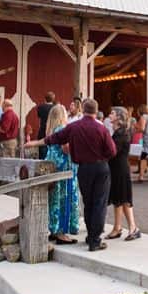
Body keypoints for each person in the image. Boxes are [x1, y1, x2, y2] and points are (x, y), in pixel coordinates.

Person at [45, 99, 115, 251]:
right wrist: (101, 156)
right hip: (100, 167)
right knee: (99, 203)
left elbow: (55, 138)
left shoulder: (74, 127)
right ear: (96, 111)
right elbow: (112, 151)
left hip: (83, 168)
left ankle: (91, 235)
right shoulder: (101, 128)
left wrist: (42, 141)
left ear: (83, 110)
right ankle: (94, 240)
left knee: (88, 203)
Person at [37, 101, 80, 245]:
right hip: (63, 169)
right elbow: (66, 148)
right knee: (64, 199)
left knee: (54, 199)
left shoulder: (51, 130)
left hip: (52, 166)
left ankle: (54, 229)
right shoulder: (62, 129)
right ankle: (61, 233)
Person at [104, 107, 141, 242]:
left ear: (119, 117)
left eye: (112, 113)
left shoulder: (121, 133)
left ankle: (133, 228)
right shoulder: (119, 132)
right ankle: (117, 227)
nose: (110, 115)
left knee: (124, 198)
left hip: (120, 169)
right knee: (118, 199)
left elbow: (112, 151)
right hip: (116, 168)